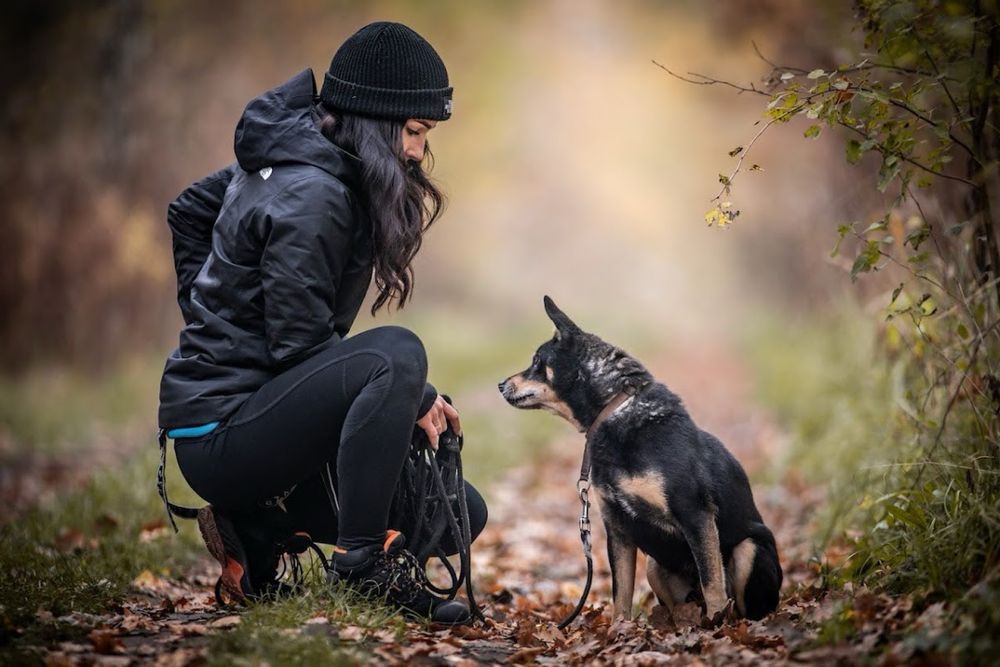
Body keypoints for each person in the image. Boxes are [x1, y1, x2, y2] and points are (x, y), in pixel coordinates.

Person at [157, 21, 486, 625]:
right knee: (399, 355)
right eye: (413, 131)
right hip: (222, 435)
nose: (416, 152)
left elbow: (188, 212)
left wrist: (213, 313)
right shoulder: (313, 191)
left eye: (424, 134)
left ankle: (255, 524)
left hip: (263, 421)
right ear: (375, 118)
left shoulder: (301, 164)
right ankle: (361, 567)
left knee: (457, 513)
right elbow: (300, 346)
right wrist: (418, 393)